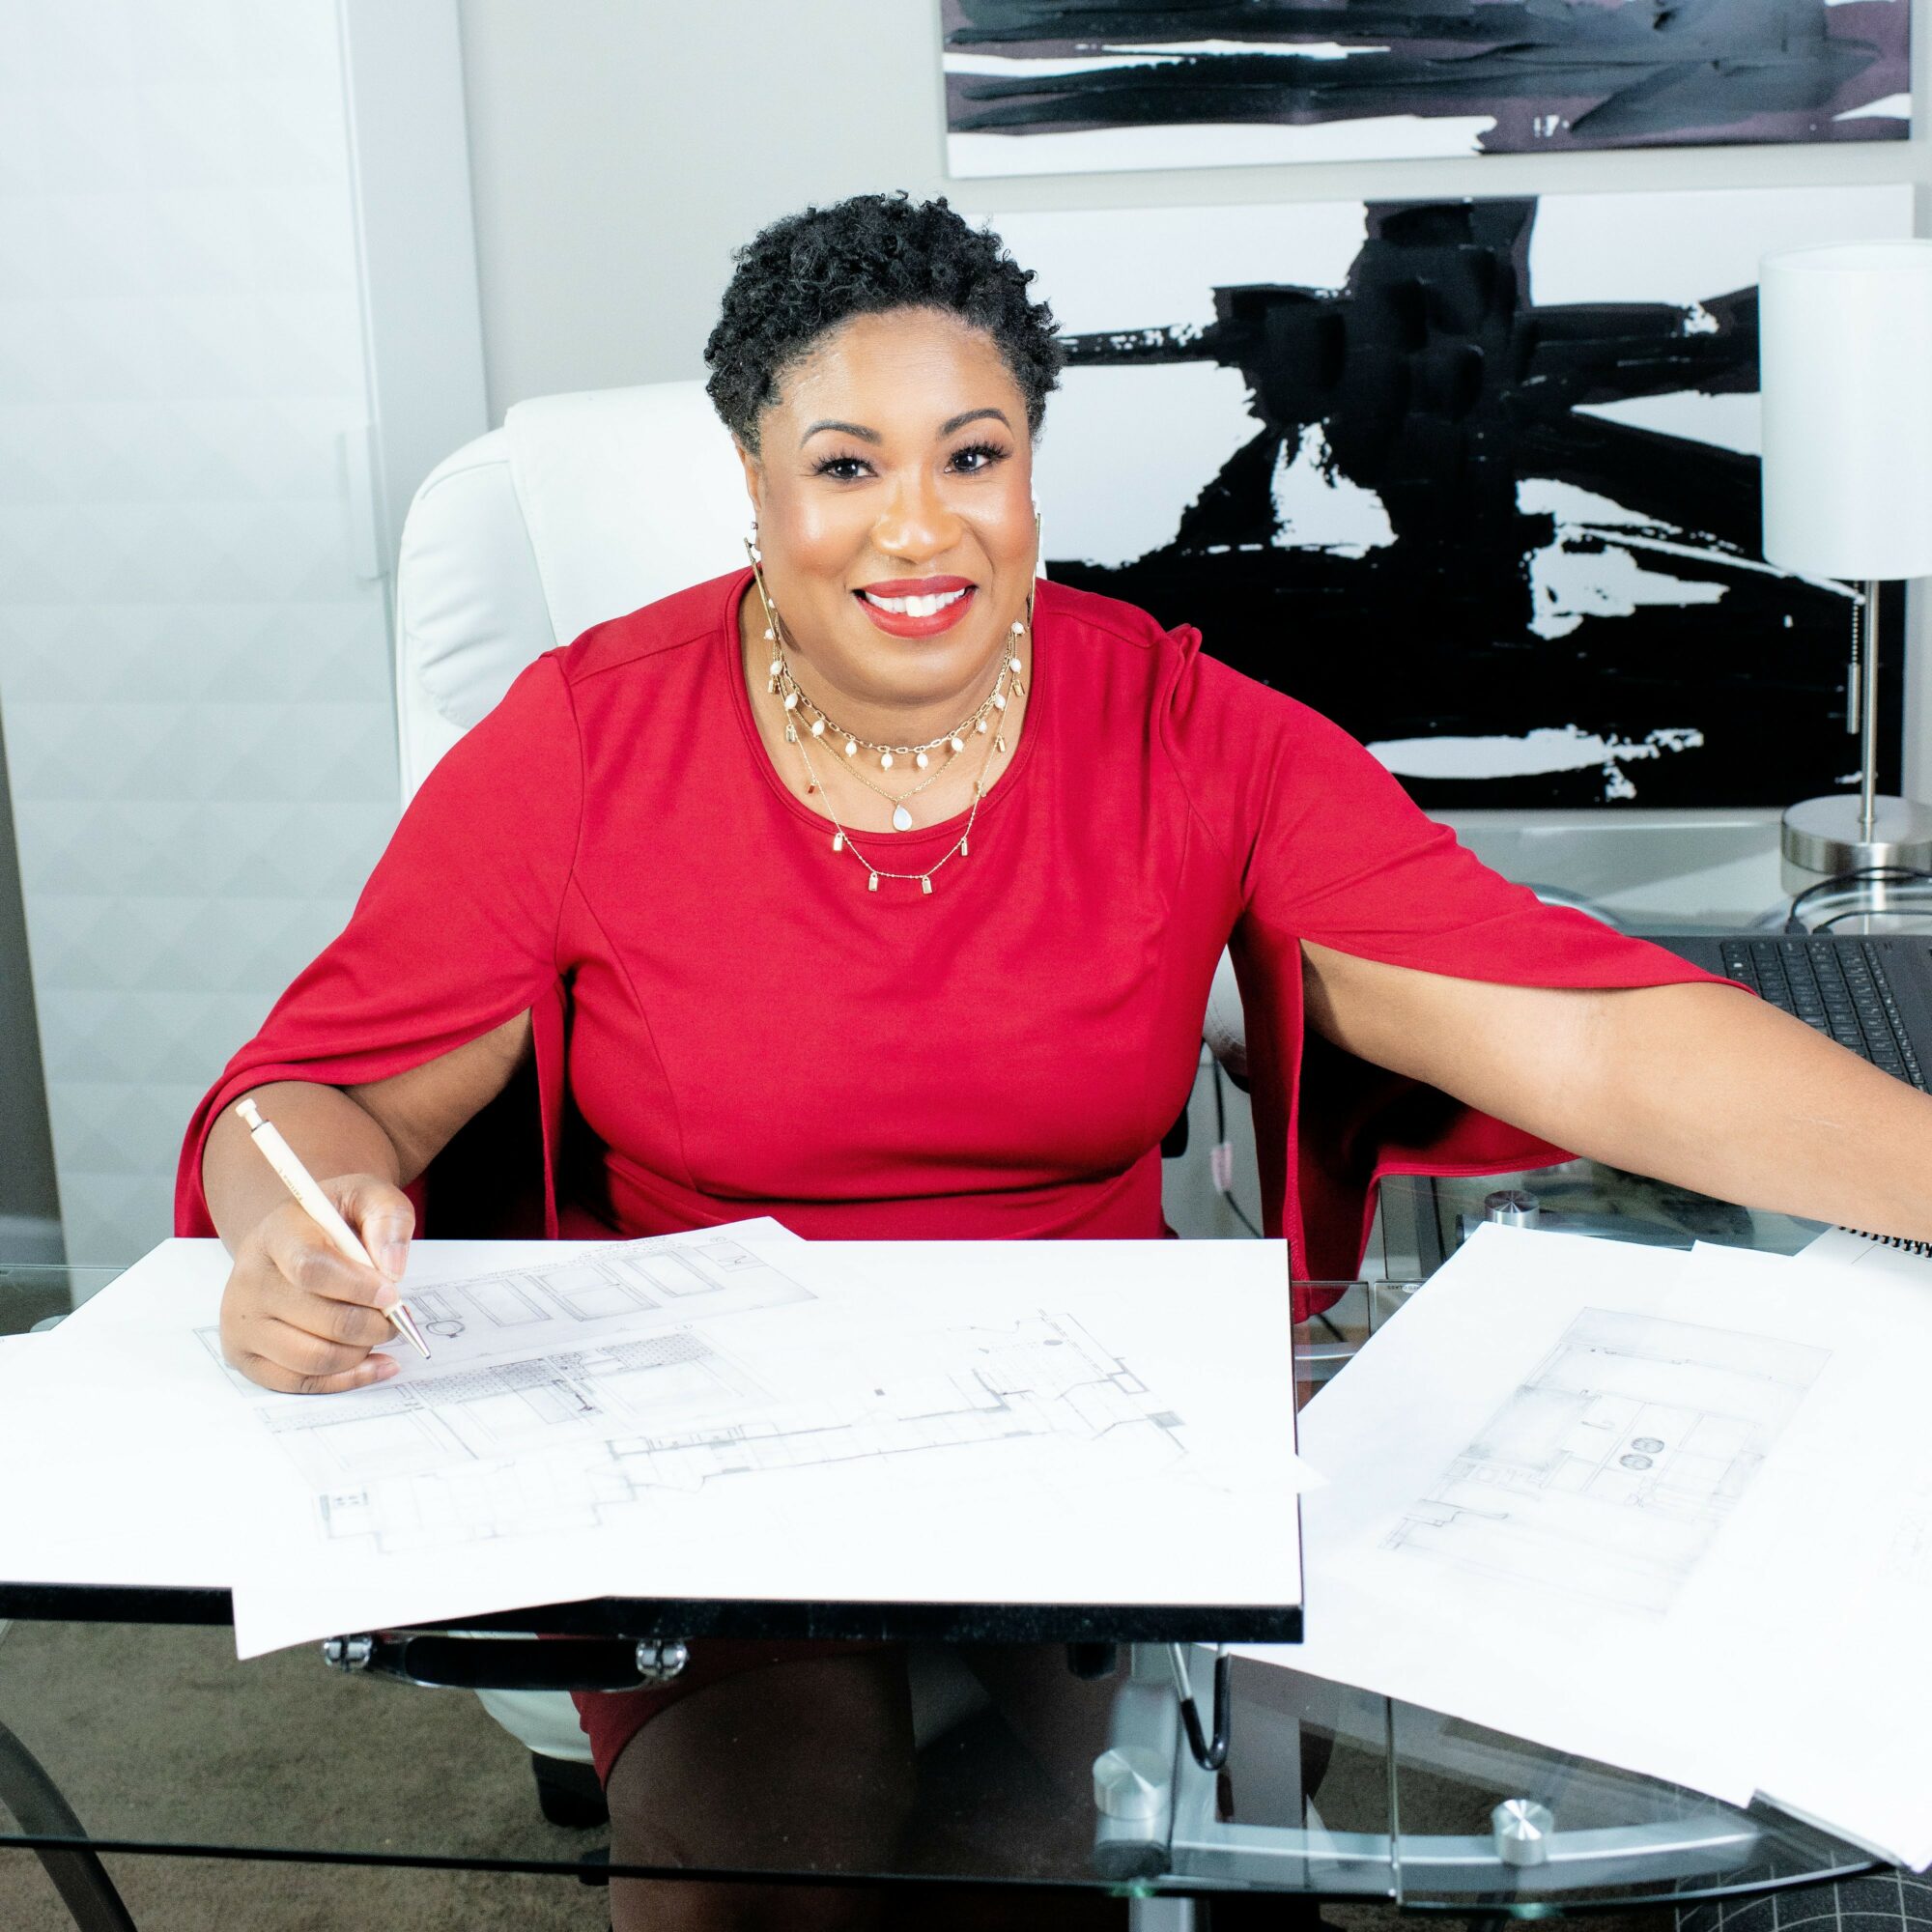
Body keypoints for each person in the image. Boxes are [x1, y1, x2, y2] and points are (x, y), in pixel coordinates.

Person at [177, 193, 1932, 1932]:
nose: (918, 526)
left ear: (1031, 473)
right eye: (847, 467)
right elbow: (324, 1095)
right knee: (749, 1872)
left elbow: (1589, 1030)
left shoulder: (1187, 728)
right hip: (704, 1439)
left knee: (1180, 1849)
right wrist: (291, 1228)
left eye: (975, 456)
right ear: (755, 485)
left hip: (1102, 1424)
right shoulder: (581, 741)